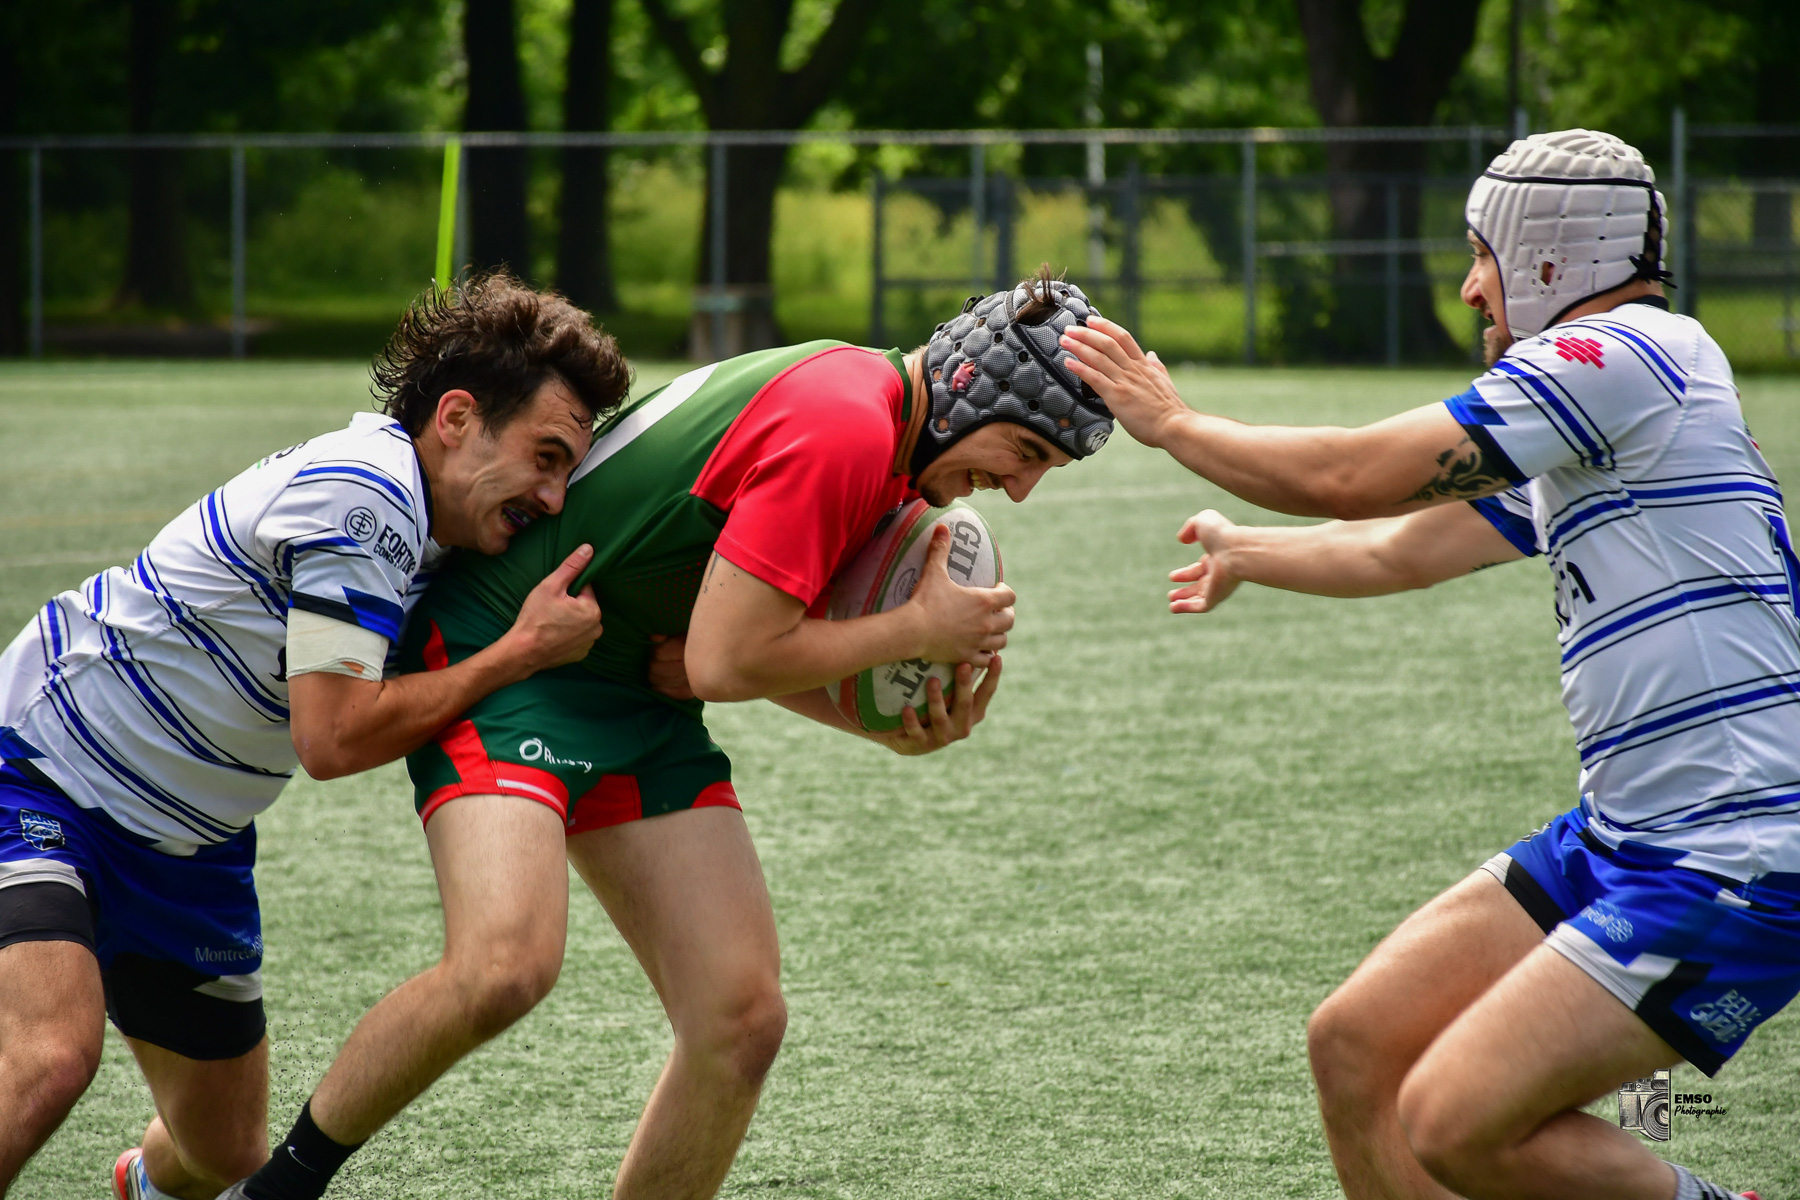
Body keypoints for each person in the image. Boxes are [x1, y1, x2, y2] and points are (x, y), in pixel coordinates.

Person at [223, 270, 1117, 1200]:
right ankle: (280, 1186)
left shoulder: (884, 443)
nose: (1015, 488)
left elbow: (711, 657)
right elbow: (729, 663)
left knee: (740, 1020)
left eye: (1041, 470)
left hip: (632, 689)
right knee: (504, 967)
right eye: (1022, 450)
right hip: (516, 645)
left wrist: (885, 729)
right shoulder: (846, 424)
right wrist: (913, 633)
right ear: (969, 386)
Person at [1061, 130, 1780, 1200]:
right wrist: (1250, 554)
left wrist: (1174, 423)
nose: (1467, 286)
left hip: (1736, 850)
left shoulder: (1620, 357)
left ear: (1549, 257)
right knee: (1357, 1044)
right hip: (1625, 835)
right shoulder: (1598, 406)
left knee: (1453, 1120)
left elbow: (1358, 476)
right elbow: (1405, 546)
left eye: (1482, 254)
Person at [0, 273, 653, 1200]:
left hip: (193, 845)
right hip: (45, 773)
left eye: (565, 472)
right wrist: (517, 655)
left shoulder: (436, 525)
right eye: (544, 457)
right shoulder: (369, 496)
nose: (552, 497)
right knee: (51, 1057)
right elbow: (333, 739)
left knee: (223, 1155)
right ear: (457, 418)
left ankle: (138, 1185)